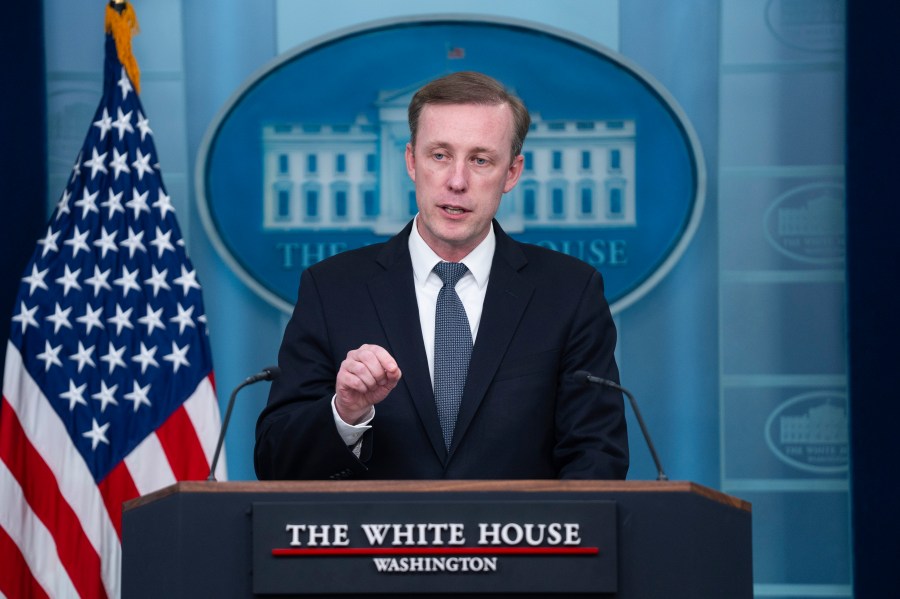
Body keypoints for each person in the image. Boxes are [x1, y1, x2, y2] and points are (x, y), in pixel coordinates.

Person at [254, 71, 629, 480]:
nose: (457, 181)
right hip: (374, 542)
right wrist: (345, 413)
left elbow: (598, 459)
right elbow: (276, 462)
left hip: (519, 543)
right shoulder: (331, 289)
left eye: (480, 160)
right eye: (440, 156)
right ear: (412, 161)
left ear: (512, 173)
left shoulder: (570, 293)